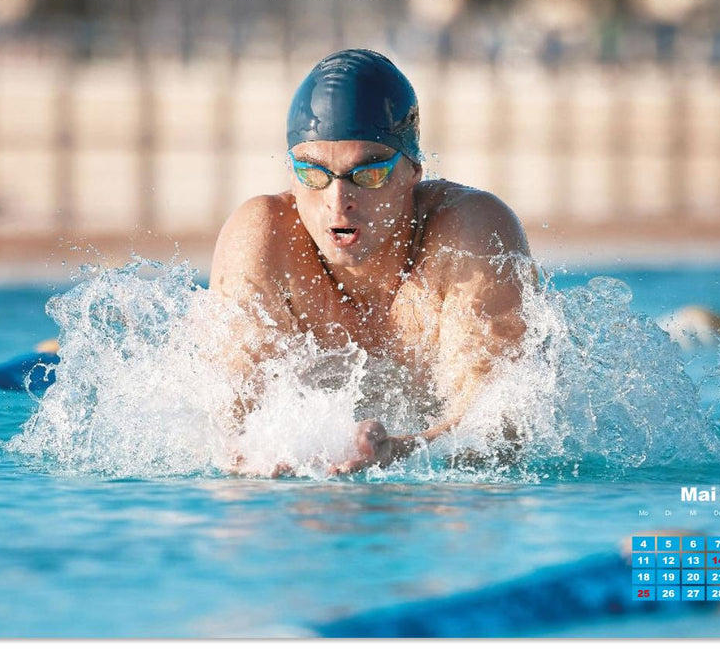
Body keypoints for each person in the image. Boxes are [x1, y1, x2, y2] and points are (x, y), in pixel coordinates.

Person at [209, 49, 536, 475]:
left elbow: (502, 431)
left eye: (368, 174)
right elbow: (226, 425)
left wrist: (403, 451)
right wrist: (255, 458)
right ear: (291, 173)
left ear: (412, 172)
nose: (338, 201)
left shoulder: (468, 237)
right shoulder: (263, 241)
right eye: (313, 173)